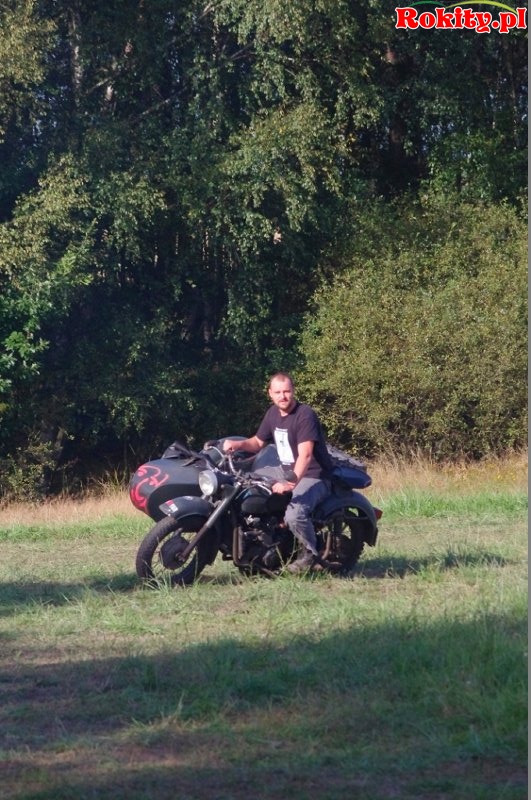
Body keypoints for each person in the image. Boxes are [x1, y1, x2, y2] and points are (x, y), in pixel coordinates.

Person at [223, 372, 333, 573]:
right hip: (285, 470)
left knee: (294, 513)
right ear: (270, 394)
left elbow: (306, 455)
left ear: (293, 391)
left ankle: (310, 554)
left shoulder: (304, 415)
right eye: (278, 392)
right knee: (246, 482)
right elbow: (257, 442)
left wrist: (290, 484)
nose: (283, 396)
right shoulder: (273, 413)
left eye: (286, 391)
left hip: (312, 475)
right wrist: (236, 444)